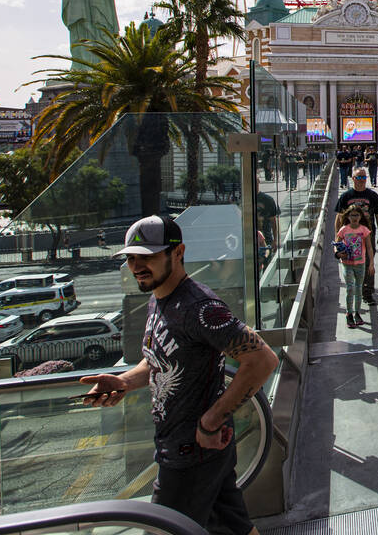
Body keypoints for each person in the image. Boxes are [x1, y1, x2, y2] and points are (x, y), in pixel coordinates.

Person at [79, 215, 279, 535]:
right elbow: (159, 360)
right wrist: (125, 382)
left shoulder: (199, 308)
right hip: (190, 449)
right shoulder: (159, 300)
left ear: (178, 252)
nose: (136, 266)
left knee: (161, 530)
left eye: (148, 256)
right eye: (131, 257)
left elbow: (262, 360)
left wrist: (211, 420)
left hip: (191, 455)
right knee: (234, 527)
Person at [335, 169, 378, 306]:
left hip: (368, 235)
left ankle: (368, 293)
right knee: (352, 262)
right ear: (353, 178)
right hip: (350, 237)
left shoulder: (372, 195)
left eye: (364, 177)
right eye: (359, 177)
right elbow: (339, 217)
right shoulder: (346, 196)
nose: (362, 179)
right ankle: (354, 290)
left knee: (369, 262)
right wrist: (337, 238)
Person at [335, 208, 373, 329]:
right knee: (350, 288)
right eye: (352, 215)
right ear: (348, 217)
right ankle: (349, 313)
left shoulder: (364, 230)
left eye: (357, 215)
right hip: (347, 263)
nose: (355, 217)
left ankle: (357, 312)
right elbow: (336, 245)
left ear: (361, 216)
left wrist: (371, 263)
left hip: (360, 264)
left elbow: (369, 247)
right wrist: (338, 254)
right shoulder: (344, 230)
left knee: (358, 289)